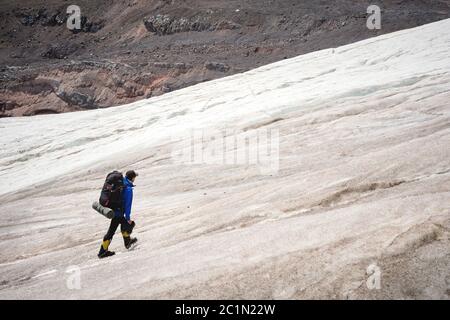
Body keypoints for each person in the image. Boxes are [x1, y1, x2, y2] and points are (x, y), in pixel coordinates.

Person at [98, 170, 139, 258]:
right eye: (135, 177)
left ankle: (103, 250)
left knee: (112, 230)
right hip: (118, 211)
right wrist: (128, 218)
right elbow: (128, 205)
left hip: (114, 210)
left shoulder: (121, 183)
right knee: (128, 225)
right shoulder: (128, 189)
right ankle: (126, 243)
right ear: (132, 178)